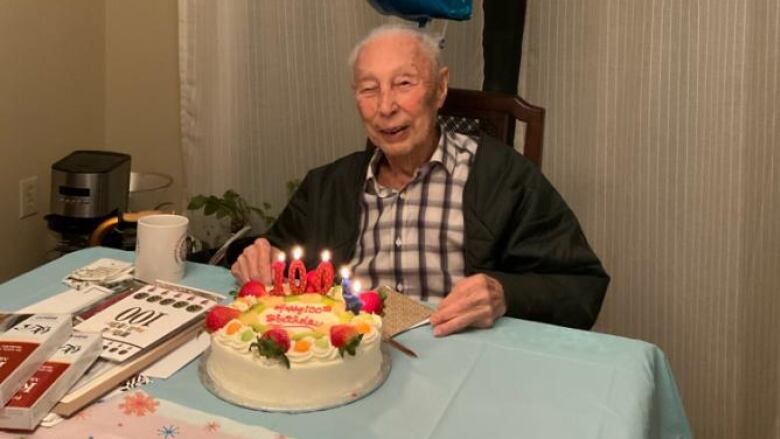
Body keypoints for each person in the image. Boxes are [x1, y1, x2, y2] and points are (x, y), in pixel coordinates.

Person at [229, 24, 609, 336]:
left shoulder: (504, 177)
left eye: (404, 83)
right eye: (369, 88)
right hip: (351, 362)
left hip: (464, 360)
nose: (386, 106)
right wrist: (258, 259)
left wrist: (505, 292)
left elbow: (581, 286)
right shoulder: (326, 186)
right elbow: (275, 260)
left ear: (440, 88)